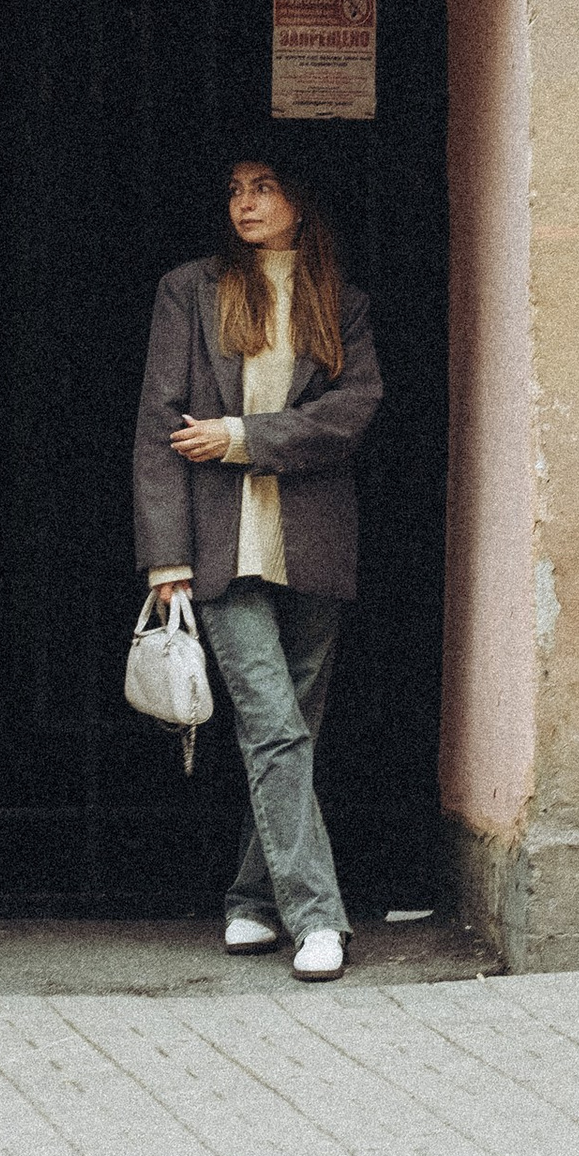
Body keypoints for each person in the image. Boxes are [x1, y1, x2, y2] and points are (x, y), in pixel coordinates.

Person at [132, 148, 382, 983]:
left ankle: (250, 898)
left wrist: (243, 437)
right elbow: (158, 425)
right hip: (218, 544)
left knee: (293, 736)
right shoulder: (190, 288)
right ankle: (318, 917)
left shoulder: (340, 301)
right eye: (234, 189)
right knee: (274, 727)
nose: (245, 203)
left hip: (311, 541)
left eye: (263, 188)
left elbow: (352, 414)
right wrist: (164, 555)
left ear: (300, 202)